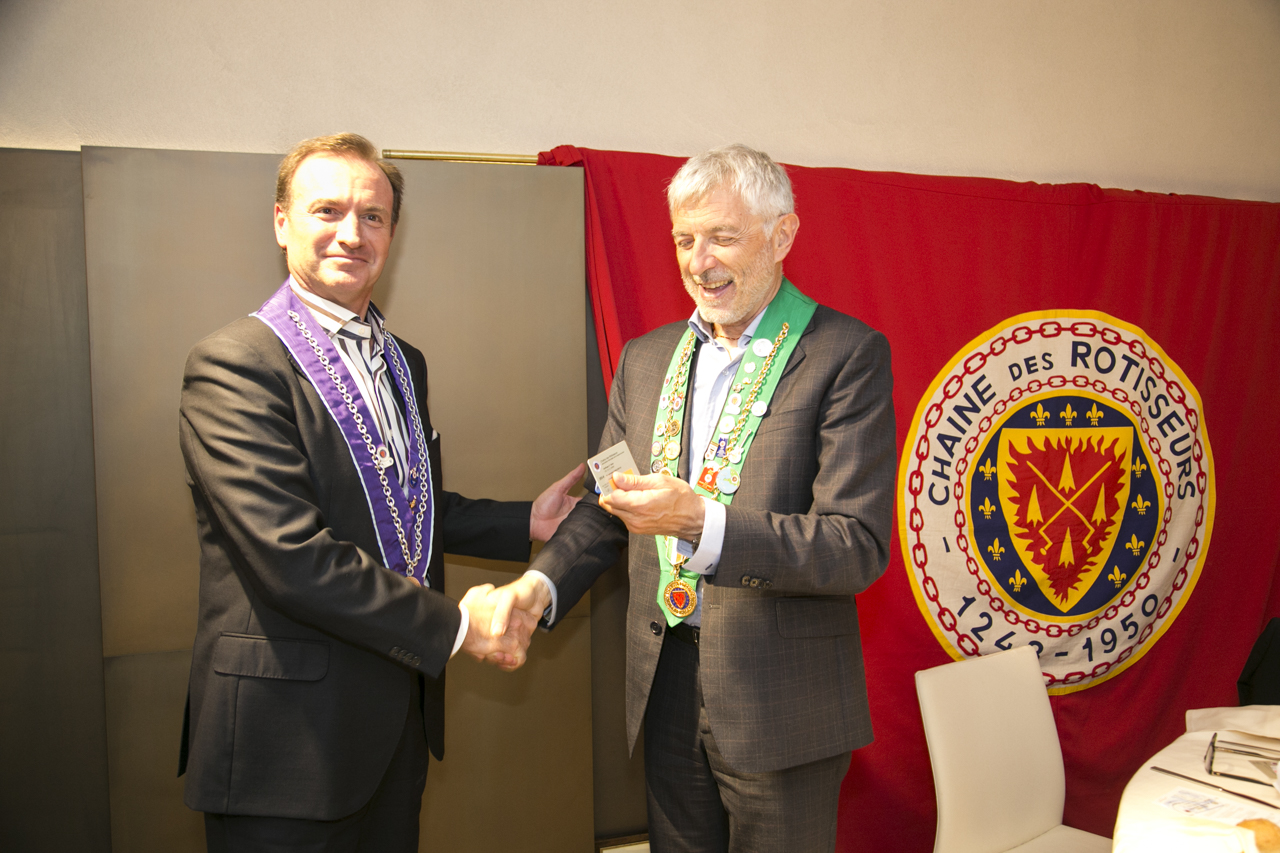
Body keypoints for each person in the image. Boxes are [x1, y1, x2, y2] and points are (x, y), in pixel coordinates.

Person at [177, 132, 582, 852]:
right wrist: (458, 626)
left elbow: (402, 508)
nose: (351, 233)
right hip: (286, 744)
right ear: (282, 222)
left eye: (373, 216)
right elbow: (292, 556)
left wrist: (526, 520)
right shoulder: (235, 365)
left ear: (392, 233)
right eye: (327, 210)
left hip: (394, 727)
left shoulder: (402, 361)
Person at [498, 144, 896, 852]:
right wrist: (539, 587)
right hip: (665, 683)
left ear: (782, 235)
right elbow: (605, 503)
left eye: (723, 237)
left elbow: (853, 546)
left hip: (782, 703)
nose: (699, 261)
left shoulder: (845, 355)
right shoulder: (646, 359)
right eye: (685, 239)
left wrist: (700, 523)